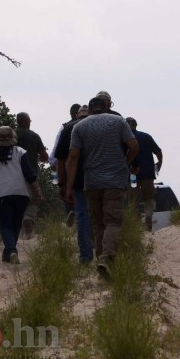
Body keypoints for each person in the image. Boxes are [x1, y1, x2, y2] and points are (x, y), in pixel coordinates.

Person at [66, 97, 139, 278]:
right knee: (112, 222)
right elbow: (134, 146)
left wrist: (68, 187)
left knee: (98, 224)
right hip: (114, 180)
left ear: (89, 110)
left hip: (91, 181)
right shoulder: (118, 121)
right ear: (106, 107)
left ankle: (101, 261)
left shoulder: (79, 127)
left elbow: (73, 157)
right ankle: (107, 258)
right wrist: (125, 163)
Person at [0, 126, 43, 264]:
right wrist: (38, 191)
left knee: (5, 224)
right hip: (20, 193)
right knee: (16, 224)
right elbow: (29, 174)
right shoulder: (20, 152)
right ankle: (8, 253)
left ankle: (11, 251)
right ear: (13, 138)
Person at [54, 105, 93, 264]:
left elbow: (60, 160)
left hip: (77, 179)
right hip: (100, 177)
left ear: (76, 115)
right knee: (99, 214)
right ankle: (102, 251)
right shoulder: (100, 125)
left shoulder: (68, 128)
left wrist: (62, 185)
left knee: (82, 215)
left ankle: (85, 255)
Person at [125, 117, 163, 231]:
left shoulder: (123, 139)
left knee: (133, 201)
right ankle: (148, 217)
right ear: (136, 125)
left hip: (131, 176)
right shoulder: (146, 136)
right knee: (149, 198)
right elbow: (158, 152)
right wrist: (159, 164)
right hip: (147, 174)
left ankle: (136, 228)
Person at [15, 112, 49, 238]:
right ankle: (28, 220)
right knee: (33, 200)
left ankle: (16, 229)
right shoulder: (34, 136)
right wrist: (40, 158)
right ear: (27, 121)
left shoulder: (12, 135)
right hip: (32, 174)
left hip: (13, 175)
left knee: (17, 200)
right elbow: (44, 156)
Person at [48, 103, 81, 227]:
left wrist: (53, 163)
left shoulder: (65, 127)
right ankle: (80, 215)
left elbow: (57, 147)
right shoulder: (89, 124)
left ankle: (71, 211)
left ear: (71, 114)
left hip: (67, 165)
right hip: (86, 166)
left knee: (67, 189)